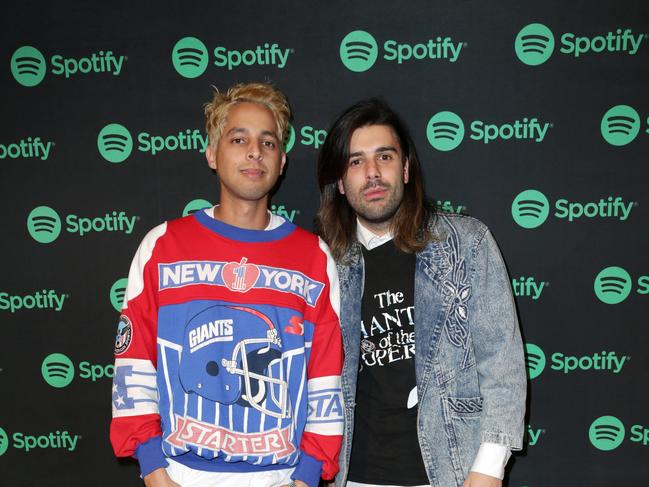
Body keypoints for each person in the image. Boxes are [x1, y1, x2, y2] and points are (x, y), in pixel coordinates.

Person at [110, 82, 344, 487]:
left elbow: (325, 375)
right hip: (179, 474)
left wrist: (306, 477)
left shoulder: (313, 257)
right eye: (239, 139)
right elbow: (134, 364)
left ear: (283, 160)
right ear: (212, 154)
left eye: (268, 142)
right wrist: (154, 470)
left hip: (282, 478)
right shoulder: (163, 246)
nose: (255, 151)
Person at [316, 99, 526, 487]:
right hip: (351, 475)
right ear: (341, 182)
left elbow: (503, 362)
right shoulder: (322, 262)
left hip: (453, 470)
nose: (374, 173)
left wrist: (490, 467)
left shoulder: (467, 244)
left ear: (407, 168)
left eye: (385, 156)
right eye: (356, 161)